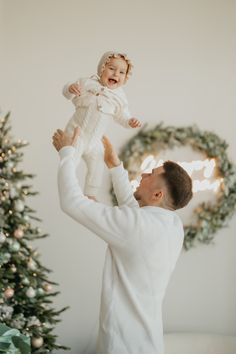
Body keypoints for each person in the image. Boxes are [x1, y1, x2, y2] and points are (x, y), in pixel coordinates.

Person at [52, 127, 193, 354]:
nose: (144, 174)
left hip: (122, 346)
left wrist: (67, 153)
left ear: (158, 195)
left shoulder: (136, 224)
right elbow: (133, 213)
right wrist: (115, 166)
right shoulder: (173, 226)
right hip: (149, 343)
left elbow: (71, 202)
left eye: (151, 174)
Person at [62, 51, 142, 200]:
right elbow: (68, 93)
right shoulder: (87, 83)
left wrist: (130, 121)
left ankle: (91, 194)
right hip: (77, 133)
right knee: (72, 158)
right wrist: (70, 88)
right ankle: (67, 185)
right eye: (111, 68)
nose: (116, 74)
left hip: (95, 141)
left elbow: (122, 115)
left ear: (125, 78)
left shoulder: (119, 97)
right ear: (101, 69)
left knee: (97, 165)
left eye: (122, 72)